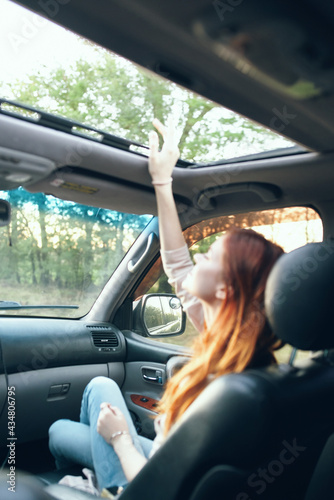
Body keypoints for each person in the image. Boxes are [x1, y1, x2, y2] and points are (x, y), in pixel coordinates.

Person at [48, 117, 284, 492]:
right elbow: (175, 262)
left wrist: (119, 436)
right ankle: (99, 479)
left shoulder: (219, 388)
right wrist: (162, 180)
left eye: (213, 256)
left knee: (59, 431)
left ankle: (99, 488)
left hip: (143, 484)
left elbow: (157, 487)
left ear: (226, 291)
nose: (200, 257)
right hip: (162, 466)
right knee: (94, 389)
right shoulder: (250, 359)